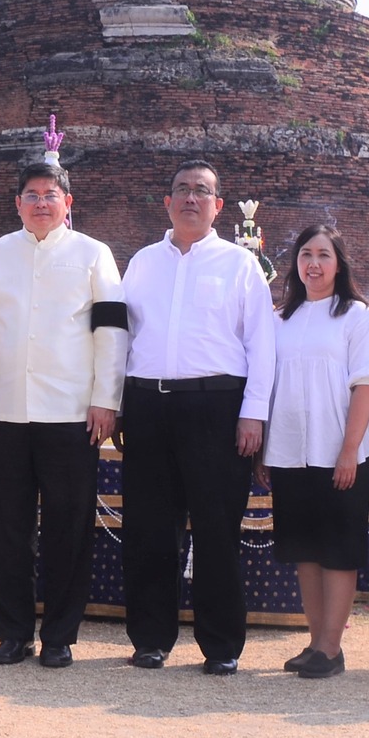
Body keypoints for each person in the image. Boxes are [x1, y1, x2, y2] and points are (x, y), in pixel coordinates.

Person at [119, 161, 274, 675]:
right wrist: (119, 402)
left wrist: (253, 415)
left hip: (216, 406)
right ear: (166, 201)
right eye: (182, 190)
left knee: (216, 529)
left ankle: (221, 643)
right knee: (149, 528)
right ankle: (151, 637)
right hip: (147, 404)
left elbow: (261, 345)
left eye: (201, 192)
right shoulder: (141, 263)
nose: (190, 199)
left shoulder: (239, 265)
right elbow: (122, 338)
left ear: (218, 205)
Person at [0, 162, 127, 669]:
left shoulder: (93, 255)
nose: (41, 202)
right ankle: (12, 633)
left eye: (50, 194)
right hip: (5, 413)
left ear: (68, 203)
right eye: (31, 194)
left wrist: (106, 398)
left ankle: (59, 635)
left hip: (71, 413)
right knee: (4, 530)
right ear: (17, 203)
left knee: (69, 528)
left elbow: (111, 332)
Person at [261, 224, 369, 679]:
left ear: (339, 263)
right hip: (291, 451)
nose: (314, 263)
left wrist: (350, 449)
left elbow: (366, 385)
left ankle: (332, 647)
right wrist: (264, 449)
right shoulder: (279, 319)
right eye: (306, 254)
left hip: (339, 451)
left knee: (337, 550)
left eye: (324, 255)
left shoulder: (356, 316)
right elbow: (267, 386)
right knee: (306, 551)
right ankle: (316, 642)